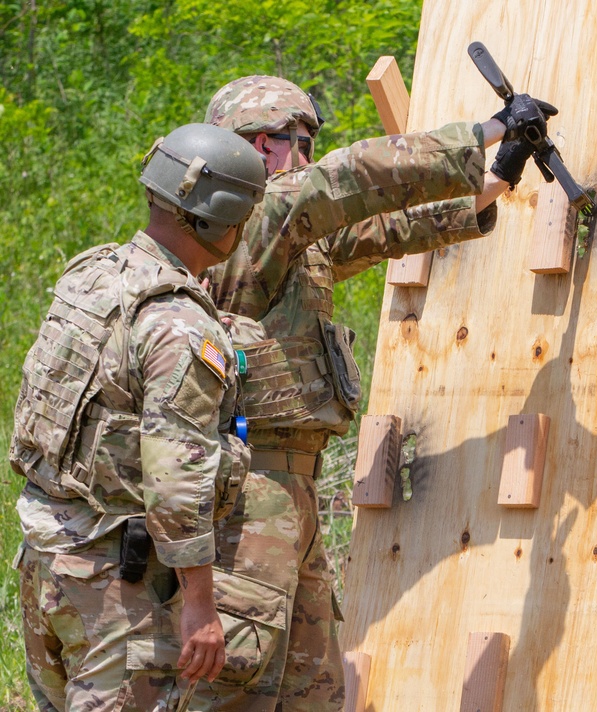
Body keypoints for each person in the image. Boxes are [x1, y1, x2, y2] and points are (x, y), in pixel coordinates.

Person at [193, 75, 554, 710]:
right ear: (247, 146)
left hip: (290, 491)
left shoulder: (290, 234)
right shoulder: (244, 223)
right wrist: (485, 132)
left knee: (312, 688)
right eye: (291, 140)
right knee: (237, 683)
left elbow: (396, 228)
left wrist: (500, 168)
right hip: (249, 490)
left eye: (309, 140)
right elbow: (351, 180)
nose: (304, 153)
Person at [10, 122, 268, 711]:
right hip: (114, 583)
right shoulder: (179, 322)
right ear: (221, 218)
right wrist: (200, 604)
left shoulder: (92, 274)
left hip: (46, 556)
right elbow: (176, 479)